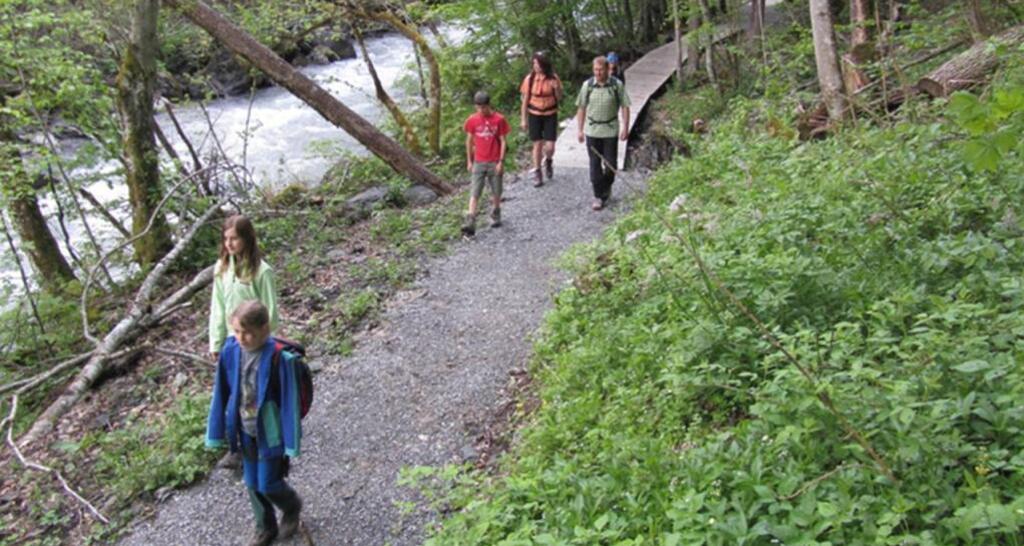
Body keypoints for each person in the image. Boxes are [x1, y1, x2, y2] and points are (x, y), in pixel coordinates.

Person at [206, 300, 303, 546]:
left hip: (270, 432)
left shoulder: (280, 358)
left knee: (268, 482)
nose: (241, 337)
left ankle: (291, 506)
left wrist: (291, 441)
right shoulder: (231, 351)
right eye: (237, 331)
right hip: (244, 430)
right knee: (251, 482)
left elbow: (290, 402)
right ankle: (265, 527)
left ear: (265, 328)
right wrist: (216, 432)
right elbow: (221, 391)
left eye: (248, 332)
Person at [209, 214, 278, 362]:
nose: (229, 244)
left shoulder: (262, 271)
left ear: (246, 238)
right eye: (225, 239)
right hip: (231, 340)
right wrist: (216, 343)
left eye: (234, 238)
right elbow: (218, 306)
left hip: (255, 340)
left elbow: (270, 312)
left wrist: (264, 342)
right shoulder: (221, 268)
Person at [576, 56, 631, 211]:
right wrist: (580, 130)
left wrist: (625, 127)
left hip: (610, 130)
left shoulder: (616, 85)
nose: (598, 73)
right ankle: (598, 195)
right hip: (592, 130)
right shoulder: (587, 85)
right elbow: (581, 107)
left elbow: (625, 106)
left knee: (611, 165)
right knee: (594, 164)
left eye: (601, 70)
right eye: (595, 70)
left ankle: (605, 187)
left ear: (607, 69)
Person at [462, 90, 510, 236]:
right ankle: (470, 220)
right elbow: (469, 141)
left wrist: (501, 161)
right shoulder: (472, 120)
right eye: (478, 107)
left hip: (494, 160)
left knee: (496, 190)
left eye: (483, 107)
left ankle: (496, 212)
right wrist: (469, 160)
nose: (481, 110)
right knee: (475, 191)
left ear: (488, 105)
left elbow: (503, 141)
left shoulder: (499, 119)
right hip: (479, 161)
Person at [519, 51, 563, 187]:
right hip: (534, 114)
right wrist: (523, 119)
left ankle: (548, 160)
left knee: (550, 146)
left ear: (544, 64)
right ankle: (538, 172)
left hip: (550, 114)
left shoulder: (553, 78)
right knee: (537, 144)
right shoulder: (529, 79)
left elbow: (559, 97)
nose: (535, 66)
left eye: (537, 64)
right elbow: (525, 101)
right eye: (534, 63)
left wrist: (556, 88)